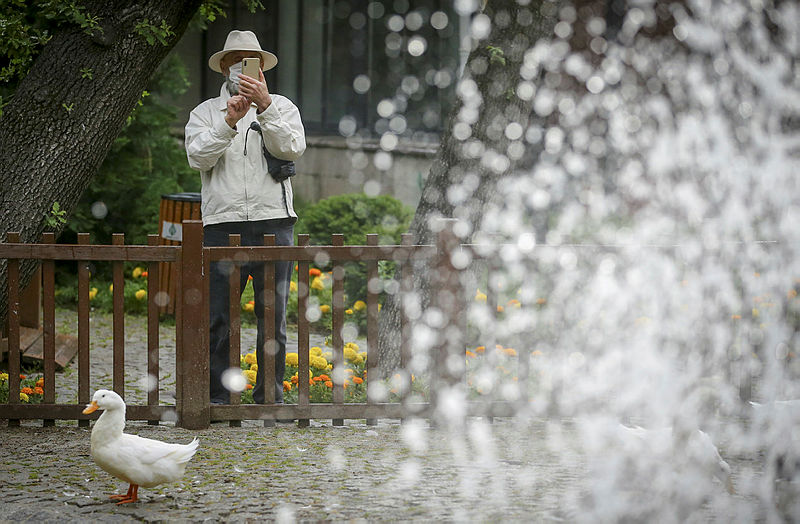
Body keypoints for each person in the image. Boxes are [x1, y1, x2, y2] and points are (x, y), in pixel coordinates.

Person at [185, 30, 306, 405]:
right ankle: (218, 396)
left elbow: (292, 148)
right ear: (223, 67)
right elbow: (197, 158)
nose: (241, 65)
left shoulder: (281, 106)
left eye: (249, 59)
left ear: (261, 67)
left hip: (274, 223)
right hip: (223, 226)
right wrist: (228, 122)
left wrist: (265, 107)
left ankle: (269, 396)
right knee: (217, 317)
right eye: (235, 59)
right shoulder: (205, 112)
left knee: (273, 317)